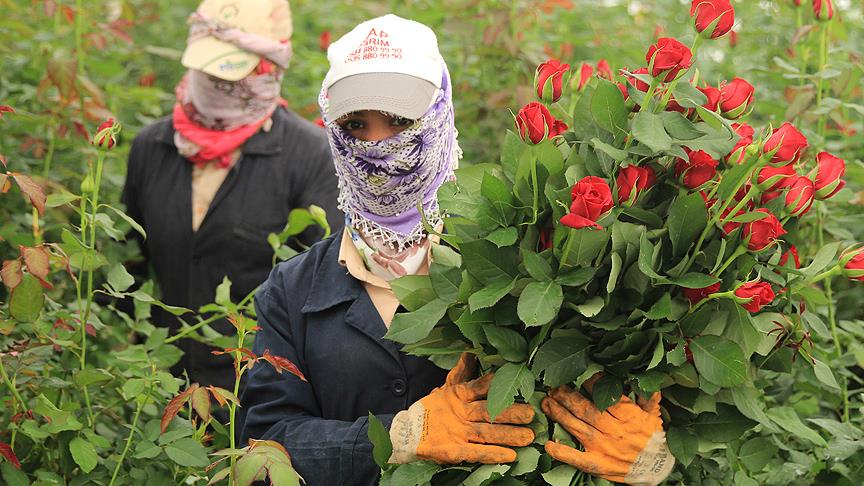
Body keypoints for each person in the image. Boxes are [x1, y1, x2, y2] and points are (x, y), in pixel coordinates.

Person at [240, 14, 674, 486]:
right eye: (356, 124)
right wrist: (399, 437)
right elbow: (263, 447)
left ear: (440, 113)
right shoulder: (293, 289)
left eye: (401, 120)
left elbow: (596, 407)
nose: (379, 145)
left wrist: (647, 459)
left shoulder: (525, 252)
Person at [121, 0, 341, 393]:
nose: (216, 85)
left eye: (232, 73)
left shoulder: (310, 156)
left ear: (269, 68)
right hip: (160, 389)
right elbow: (130, 263)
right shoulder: (153, 147)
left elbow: (326, 294)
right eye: (205, 71)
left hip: (259, 397)